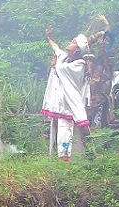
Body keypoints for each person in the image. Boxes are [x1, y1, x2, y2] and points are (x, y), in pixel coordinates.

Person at [40, 26, 93, 161]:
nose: (70, 43)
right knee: (63, 131)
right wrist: (48, 37)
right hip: (63, 104)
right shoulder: (63, 58)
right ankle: (64, 159)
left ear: (77, 50)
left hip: (73, 101)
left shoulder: (79, 64)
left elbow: (62, 70)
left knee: (83, 126)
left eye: (74, 42)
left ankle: (91, 154)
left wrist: (54, 65)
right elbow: (56, 48)